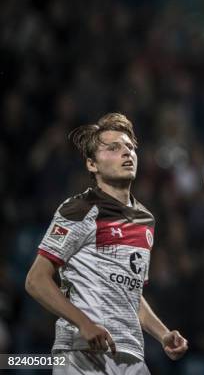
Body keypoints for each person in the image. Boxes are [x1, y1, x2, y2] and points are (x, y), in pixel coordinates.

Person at [25, 113, 188, 374]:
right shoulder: (80, 208)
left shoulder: (145, 219)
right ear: (92, 164)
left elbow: (131, 294)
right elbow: (36, 280)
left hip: (131, 353)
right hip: (81, 353)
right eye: (113, 148)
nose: (126, 153)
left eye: (130, 147)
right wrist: (84, 324)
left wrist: (163, 334)